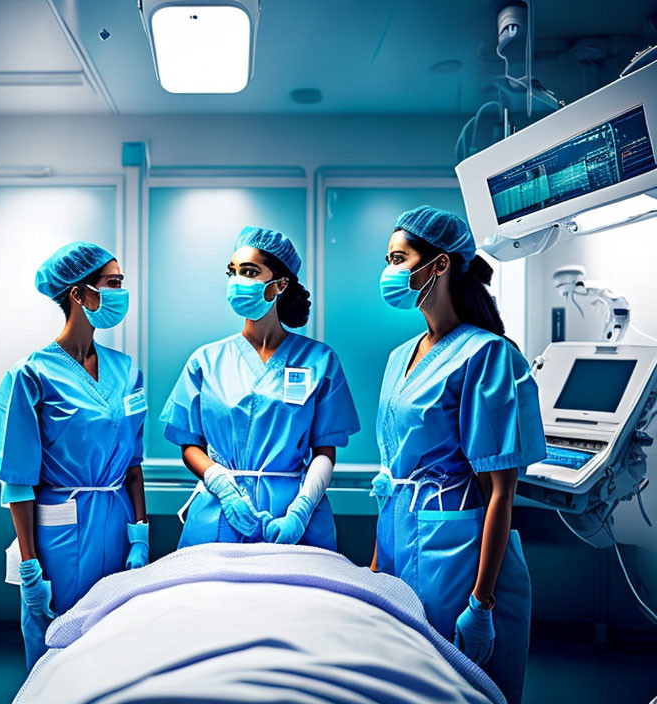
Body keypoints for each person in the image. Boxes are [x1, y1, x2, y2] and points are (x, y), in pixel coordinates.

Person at [370, 206, 546, 703]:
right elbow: (393, 474)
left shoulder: (487, 355)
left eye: (399, 258)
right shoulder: (399, 357)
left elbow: (500, 494)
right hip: (399, 537)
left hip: (459, 553)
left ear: (440, 265)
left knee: (460, 688)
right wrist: (378, 565)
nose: (390, 271)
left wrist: (483, 602)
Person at [0, 241, 149, 672]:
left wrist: (140, 534)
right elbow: (19, 482)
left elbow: (133, 463)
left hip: (117, 524)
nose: (120, 293)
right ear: (79, 295)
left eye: (121, 284)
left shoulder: (126, 369)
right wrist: (30, 569)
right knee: (56, 656)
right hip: (58, 535)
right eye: (111, 284)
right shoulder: (31, 375)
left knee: (114, 649)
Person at [160, 226, 359, 550]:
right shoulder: (206, 361)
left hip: (293, 513)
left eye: (250, 272)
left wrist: (302, 509)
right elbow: (189, 444)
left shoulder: (319, 360)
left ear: (280, 284)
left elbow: (325, 451)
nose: (238, 281)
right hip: (220, 512)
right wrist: (221, 485)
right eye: (233, 272)